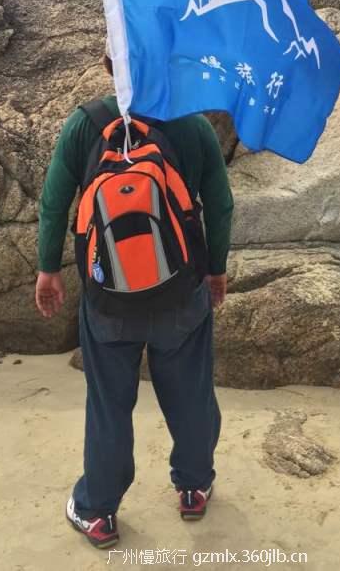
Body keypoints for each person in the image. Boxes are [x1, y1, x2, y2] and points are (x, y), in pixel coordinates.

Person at [35, 55, 233, 549]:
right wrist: (216, 269)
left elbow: (54, 202)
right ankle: (194, 486)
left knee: (109, 406)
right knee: (191, 395)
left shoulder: (85, 124)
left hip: (109, 301)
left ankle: (98, 511)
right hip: (181, 295)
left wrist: (47, 268)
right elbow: (220, 204)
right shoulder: (191, 124)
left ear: (109, 63)